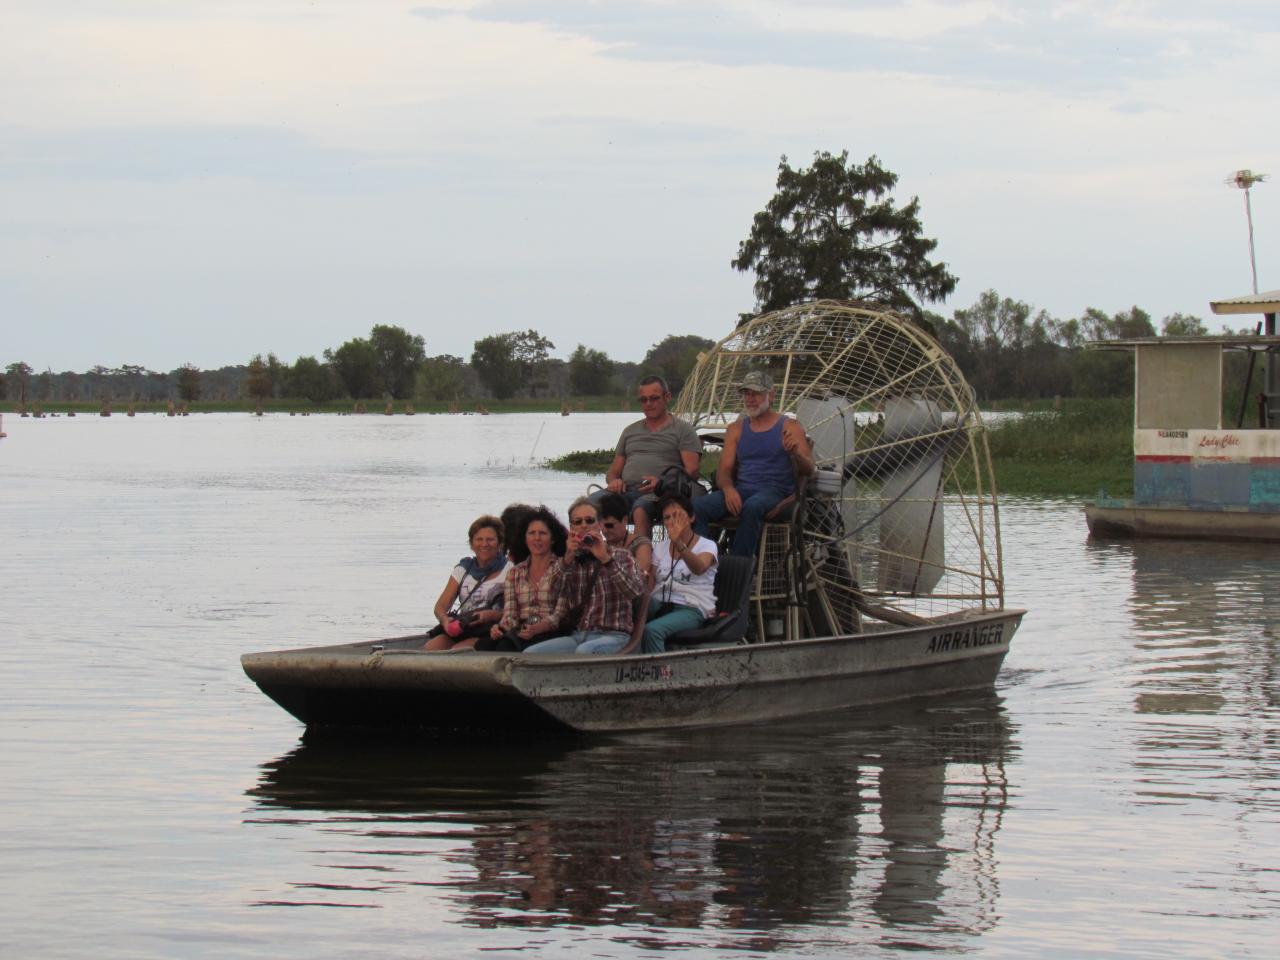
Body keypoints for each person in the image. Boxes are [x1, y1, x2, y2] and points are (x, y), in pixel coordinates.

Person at [693, 370, 814, 558]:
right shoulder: (735, 429)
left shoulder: (790, 426)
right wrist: (728, 490)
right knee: (697, 507)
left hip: (775, 491)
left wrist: (795, 453)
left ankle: (738, 569)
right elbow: (724, 471)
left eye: (756, 393)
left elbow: (809, 469)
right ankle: (708, 561)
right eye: (746, 394)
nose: (750, 399)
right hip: (743, 489)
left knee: (752, 507)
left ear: (771, 395)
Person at [524, 497, 645, 655]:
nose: (584, 526)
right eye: (578, 522)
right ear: (572, 527)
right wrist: (567, 558)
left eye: (589, 520)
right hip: (579, 634)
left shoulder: (622, 555)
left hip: (614, 635)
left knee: (584, 652)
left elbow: (635, 592)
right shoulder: (571, 560)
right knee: (531, 654)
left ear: (600, 524)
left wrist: (606, 560)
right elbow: (549, 594)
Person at [597, 375, 702, 538]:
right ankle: (588, 557)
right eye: (643, 400)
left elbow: (692, 471)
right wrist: (614, 481)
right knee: (587, 506)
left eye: (654, 398)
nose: (648, 404)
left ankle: (642, 559)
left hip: (661, 492)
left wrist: (662, 483)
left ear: (667, 397)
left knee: (640, 509)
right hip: (624, 490)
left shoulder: (683, 430)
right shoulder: (630, 431)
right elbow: (613, 470)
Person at [480, 506, 569, 651]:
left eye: (542, 533)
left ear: (553, 539)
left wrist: (536, 629)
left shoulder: (562, 568)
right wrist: (500, 628)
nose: (537, 538)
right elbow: (510, 614)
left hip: (550, 631)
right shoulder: (515, 573)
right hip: (522, 630)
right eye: (532, 533)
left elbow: (560, 614)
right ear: (525, 538)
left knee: (506, 647)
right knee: (484, 645)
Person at [641, 493, 718, 654]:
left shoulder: (707, 545)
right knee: (631, 613)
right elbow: (652, 581)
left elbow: (699, 567)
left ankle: (660, 675)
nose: (671, 522)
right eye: (667, 518)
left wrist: (679, 543)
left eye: (676, 516)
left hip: (691, 607)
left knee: (652, 630)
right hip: (661, 603)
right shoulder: (661, 546)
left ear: (691, 518)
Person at [424, 515, 508, 651]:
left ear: (499, 543)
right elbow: (440, 607)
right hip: (465, 627)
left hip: (491, 629)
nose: (484, 544)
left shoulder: (510, 569)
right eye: (479, 539)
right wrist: (445, 621)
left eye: (490, 539)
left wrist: (490, 615)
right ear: (471, 544)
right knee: (431, 648)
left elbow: (515, 611)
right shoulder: (463, 568)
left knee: (458, 650)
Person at [597, 491, 654, 589]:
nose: (604, 530)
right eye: (600, 525)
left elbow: (641, 577)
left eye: (609, 525)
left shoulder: (641, 544)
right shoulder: (600, 546)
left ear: (625, 520)